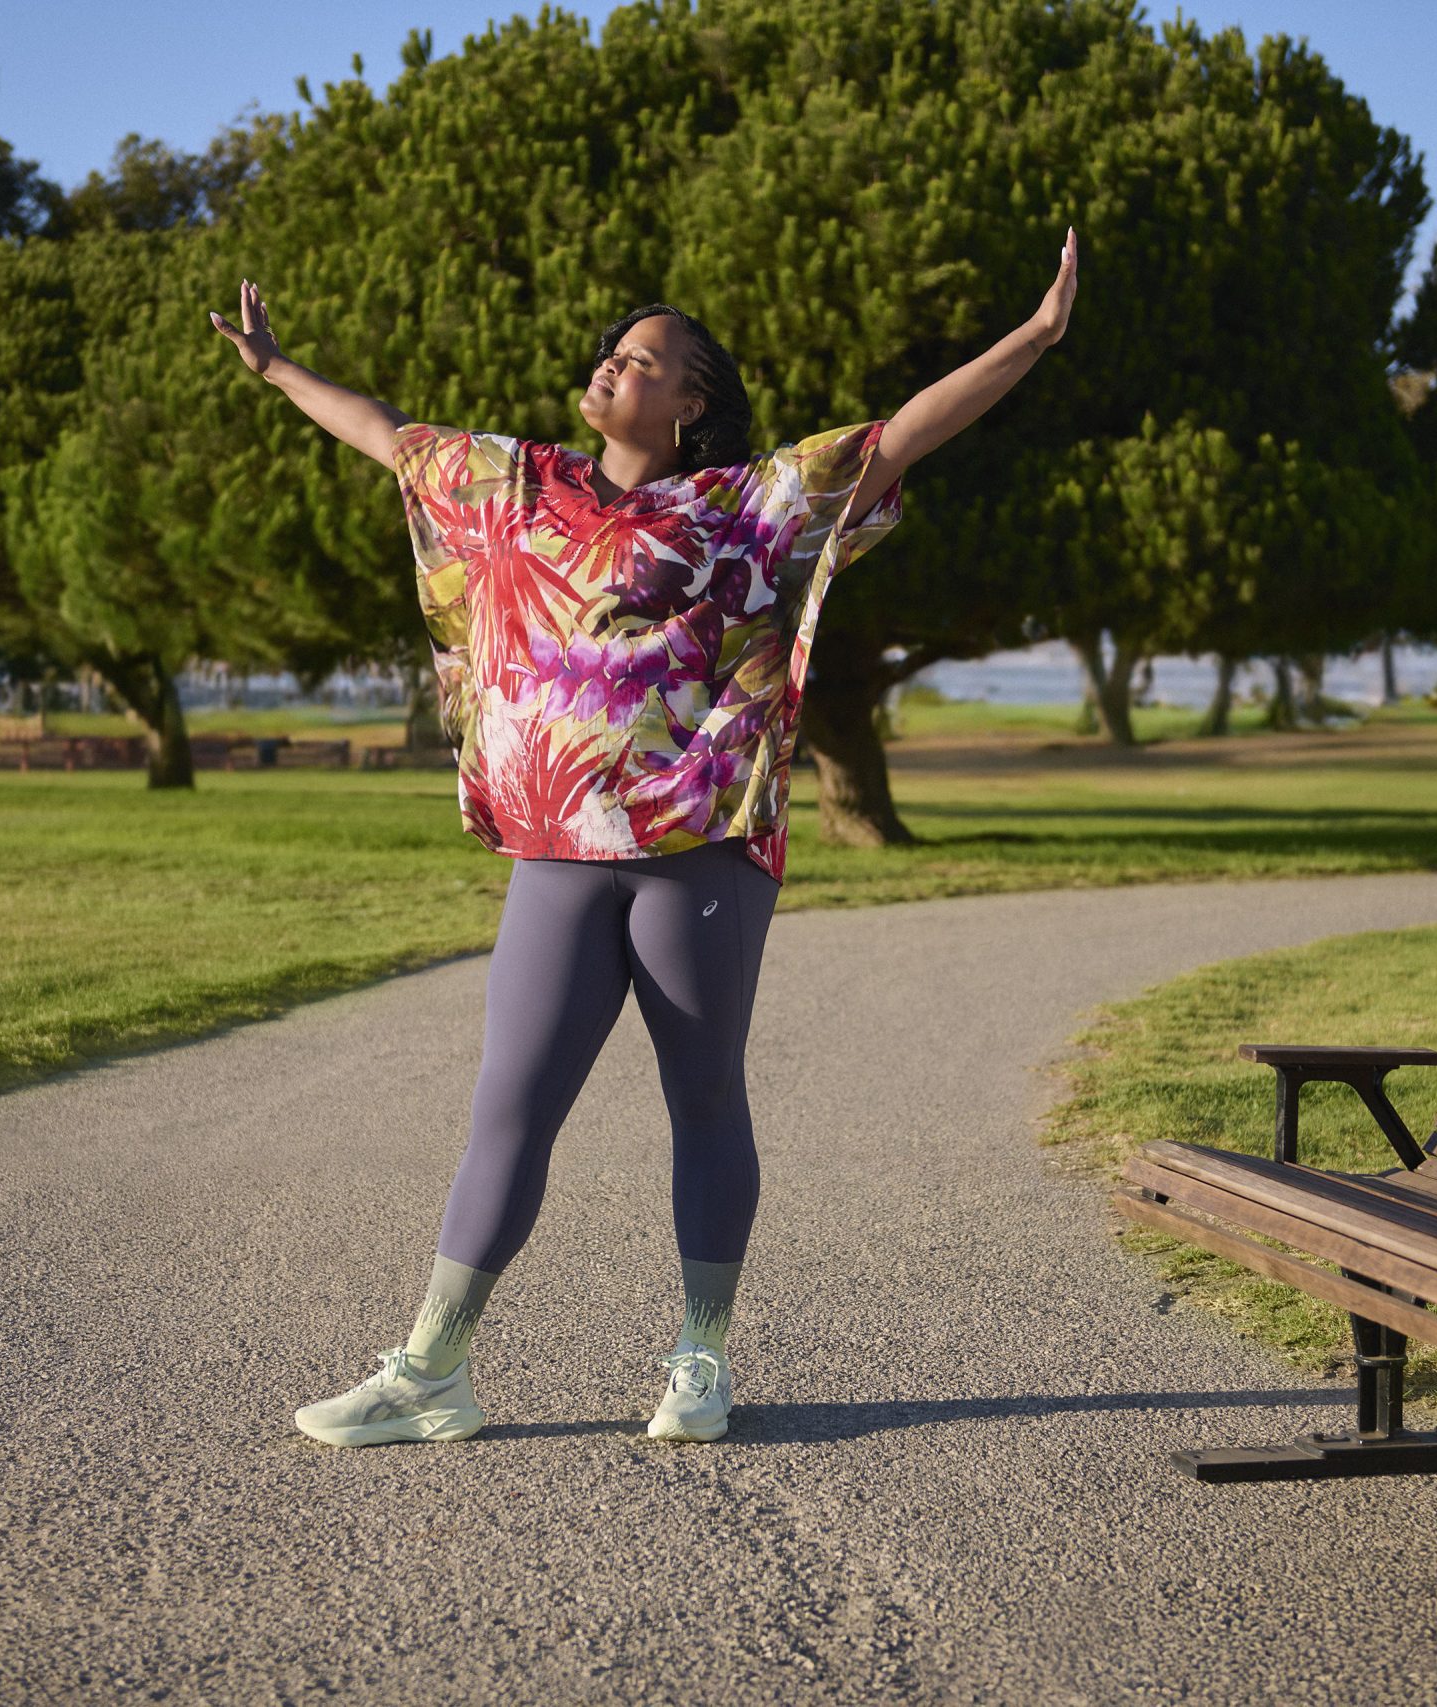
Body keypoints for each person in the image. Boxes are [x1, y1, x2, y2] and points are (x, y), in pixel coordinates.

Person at [208, 231, 1079, 1445]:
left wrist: (1033, 340)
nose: (615, 365)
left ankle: (700, 1360)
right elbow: (383, 431)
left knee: (704, 1097)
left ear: (692, 401)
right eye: (612, 353)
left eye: (645, 358)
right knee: (508, 1105)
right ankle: (432, 1371)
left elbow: (898, 436)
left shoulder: (744, 505)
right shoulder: (512, 483)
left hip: (699, 850)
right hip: (558, 849)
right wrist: (277, 369)